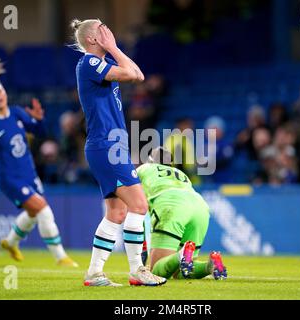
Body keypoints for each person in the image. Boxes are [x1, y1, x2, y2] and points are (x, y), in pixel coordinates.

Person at [72, 19, 166, 287]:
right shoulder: (89, 62)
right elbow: (132, 75)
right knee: (139, 205)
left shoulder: (101, 65)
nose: (109, 31)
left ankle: (94, 273)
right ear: (93, 39)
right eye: (103, 29)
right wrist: (112, 47)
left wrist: (113, 49)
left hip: (109, 145)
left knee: (117, 213)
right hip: (106, 145)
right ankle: (138, 270)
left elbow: (138, 74)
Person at [0, 52, 77, 267]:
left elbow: (40, 133)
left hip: (29, 173)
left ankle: (10, 242)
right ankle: (61, 257)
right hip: (10, 178)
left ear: (5, 93)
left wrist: (39, 120)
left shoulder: (16, 113)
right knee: (43, 209)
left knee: (34, 214)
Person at [138, 147, 227, 280]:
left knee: (156, 272)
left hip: (170, 204)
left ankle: (181, 255)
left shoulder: (143, 169)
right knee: (182, 270)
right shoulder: (180, 174)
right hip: (200, 206)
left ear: (150, 160)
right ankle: (209, 266)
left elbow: (135, 209)